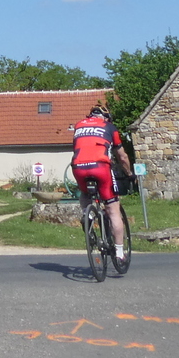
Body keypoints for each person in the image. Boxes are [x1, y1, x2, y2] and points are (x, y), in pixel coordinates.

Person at [71, 105, 133, 262]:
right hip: (100, 166)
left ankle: (87, 213)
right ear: (106, 117)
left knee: (85, 193)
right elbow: (122, 157)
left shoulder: (78, 126)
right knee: (113, 209)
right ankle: (119, 252)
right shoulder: (109, 127)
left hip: (78, 166)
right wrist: (129, 174)